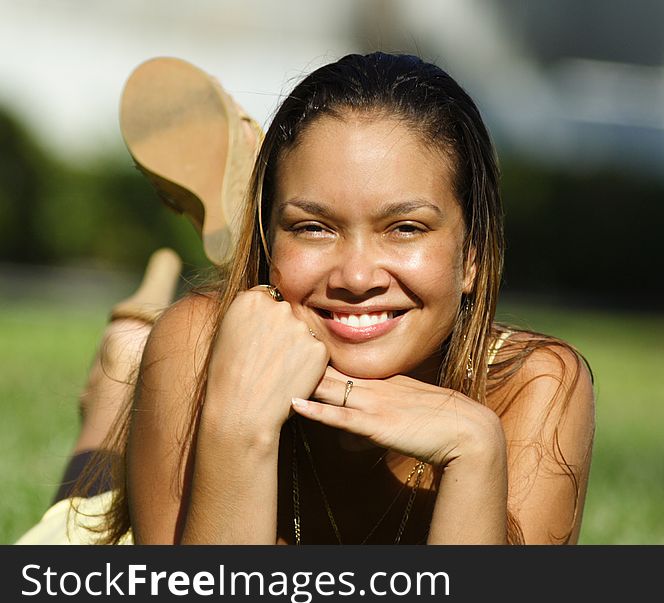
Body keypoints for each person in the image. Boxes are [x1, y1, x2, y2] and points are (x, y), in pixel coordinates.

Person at [19, 52, 595, 545]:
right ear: (272, 245)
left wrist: (476, 451)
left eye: (406, 228)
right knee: (86, 501)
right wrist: (238, 425)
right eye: (313, 227)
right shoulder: (196, 346)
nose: (356, 274)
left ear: (472, 257)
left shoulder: (533, 387)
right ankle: (121, 370)